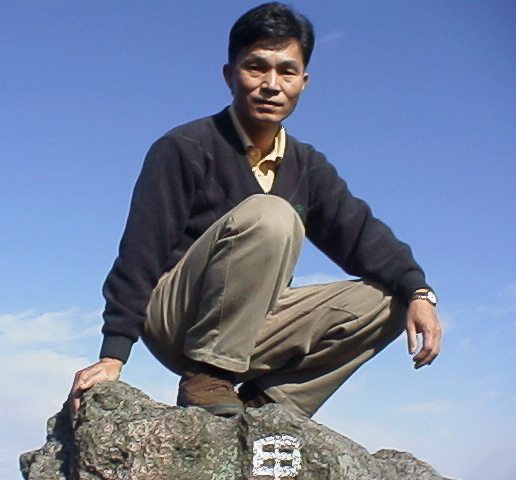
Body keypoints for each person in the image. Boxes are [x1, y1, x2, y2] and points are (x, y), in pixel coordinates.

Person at [69, 2, 442, 418]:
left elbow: (362, 237)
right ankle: (207, 375)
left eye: (286, 71)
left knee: (391, 302)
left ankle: (268, 404)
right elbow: (141, 252)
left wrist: (418, 292)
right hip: (177, 318)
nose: (271, 84)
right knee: (272, 214)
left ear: (303, 81)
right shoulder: (185, 148)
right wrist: (113, 354)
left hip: (252, 326)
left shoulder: (307, 166)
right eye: (256, 68)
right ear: (230, 75)